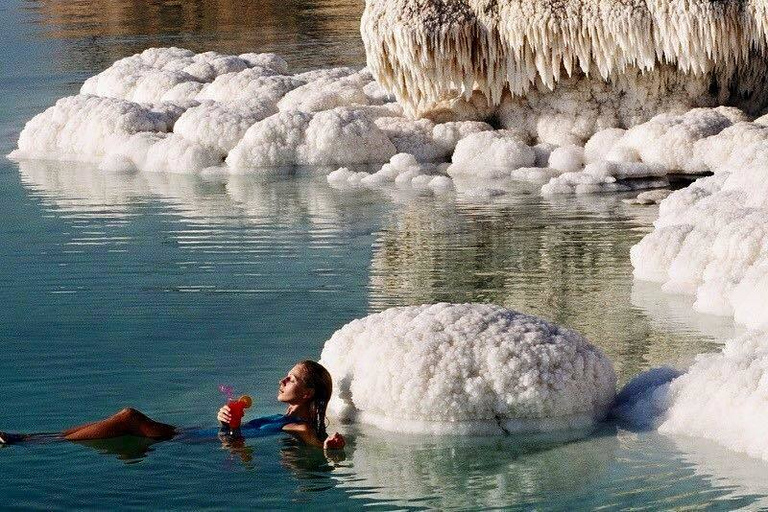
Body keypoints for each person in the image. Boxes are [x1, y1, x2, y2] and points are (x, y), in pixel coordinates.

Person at [0, 360, 345, 451]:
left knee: (129, 417)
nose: (282, 381)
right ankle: (30, 438)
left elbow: (313, 439)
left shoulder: (296, 425)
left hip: (192, 442)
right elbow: (238, 435)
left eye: (292, 379)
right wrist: (225, 420)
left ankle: (24, 441)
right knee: (126, 418)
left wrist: (327, 446)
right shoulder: (279, 417)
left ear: (307, 394)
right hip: (198, 434)